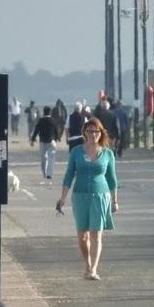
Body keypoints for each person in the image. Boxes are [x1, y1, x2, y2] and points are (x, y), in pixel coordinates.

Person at [57, 118, 118, 280]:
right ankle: (87, 263)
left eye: (96, 131)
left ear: (101, 133)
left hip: (100, 195)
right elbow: (69, 175)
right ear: (85, 132)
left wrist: (115, 201)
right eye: (90, 131)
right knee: (83, 235)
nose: (93, 134)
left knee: (96, 234)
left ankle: (93, 270)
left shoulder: (107, 153)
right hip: (80, 196)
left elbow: (112, 179)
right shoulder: (76, 151)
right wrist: (63, 198)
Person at [30, 106, 61, 184]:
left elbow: (36, 130)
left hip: (43, 142)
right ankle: (49, 174)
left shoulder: (40, 120)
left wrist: (33, 139)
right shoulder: (53, 120)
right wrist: (58, 137)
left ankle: (44, 173)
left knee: (43, 159)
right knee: (51, 158)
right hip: (51, 141)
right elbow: (56, 130)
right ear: (50, 112)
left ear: (44, 112)